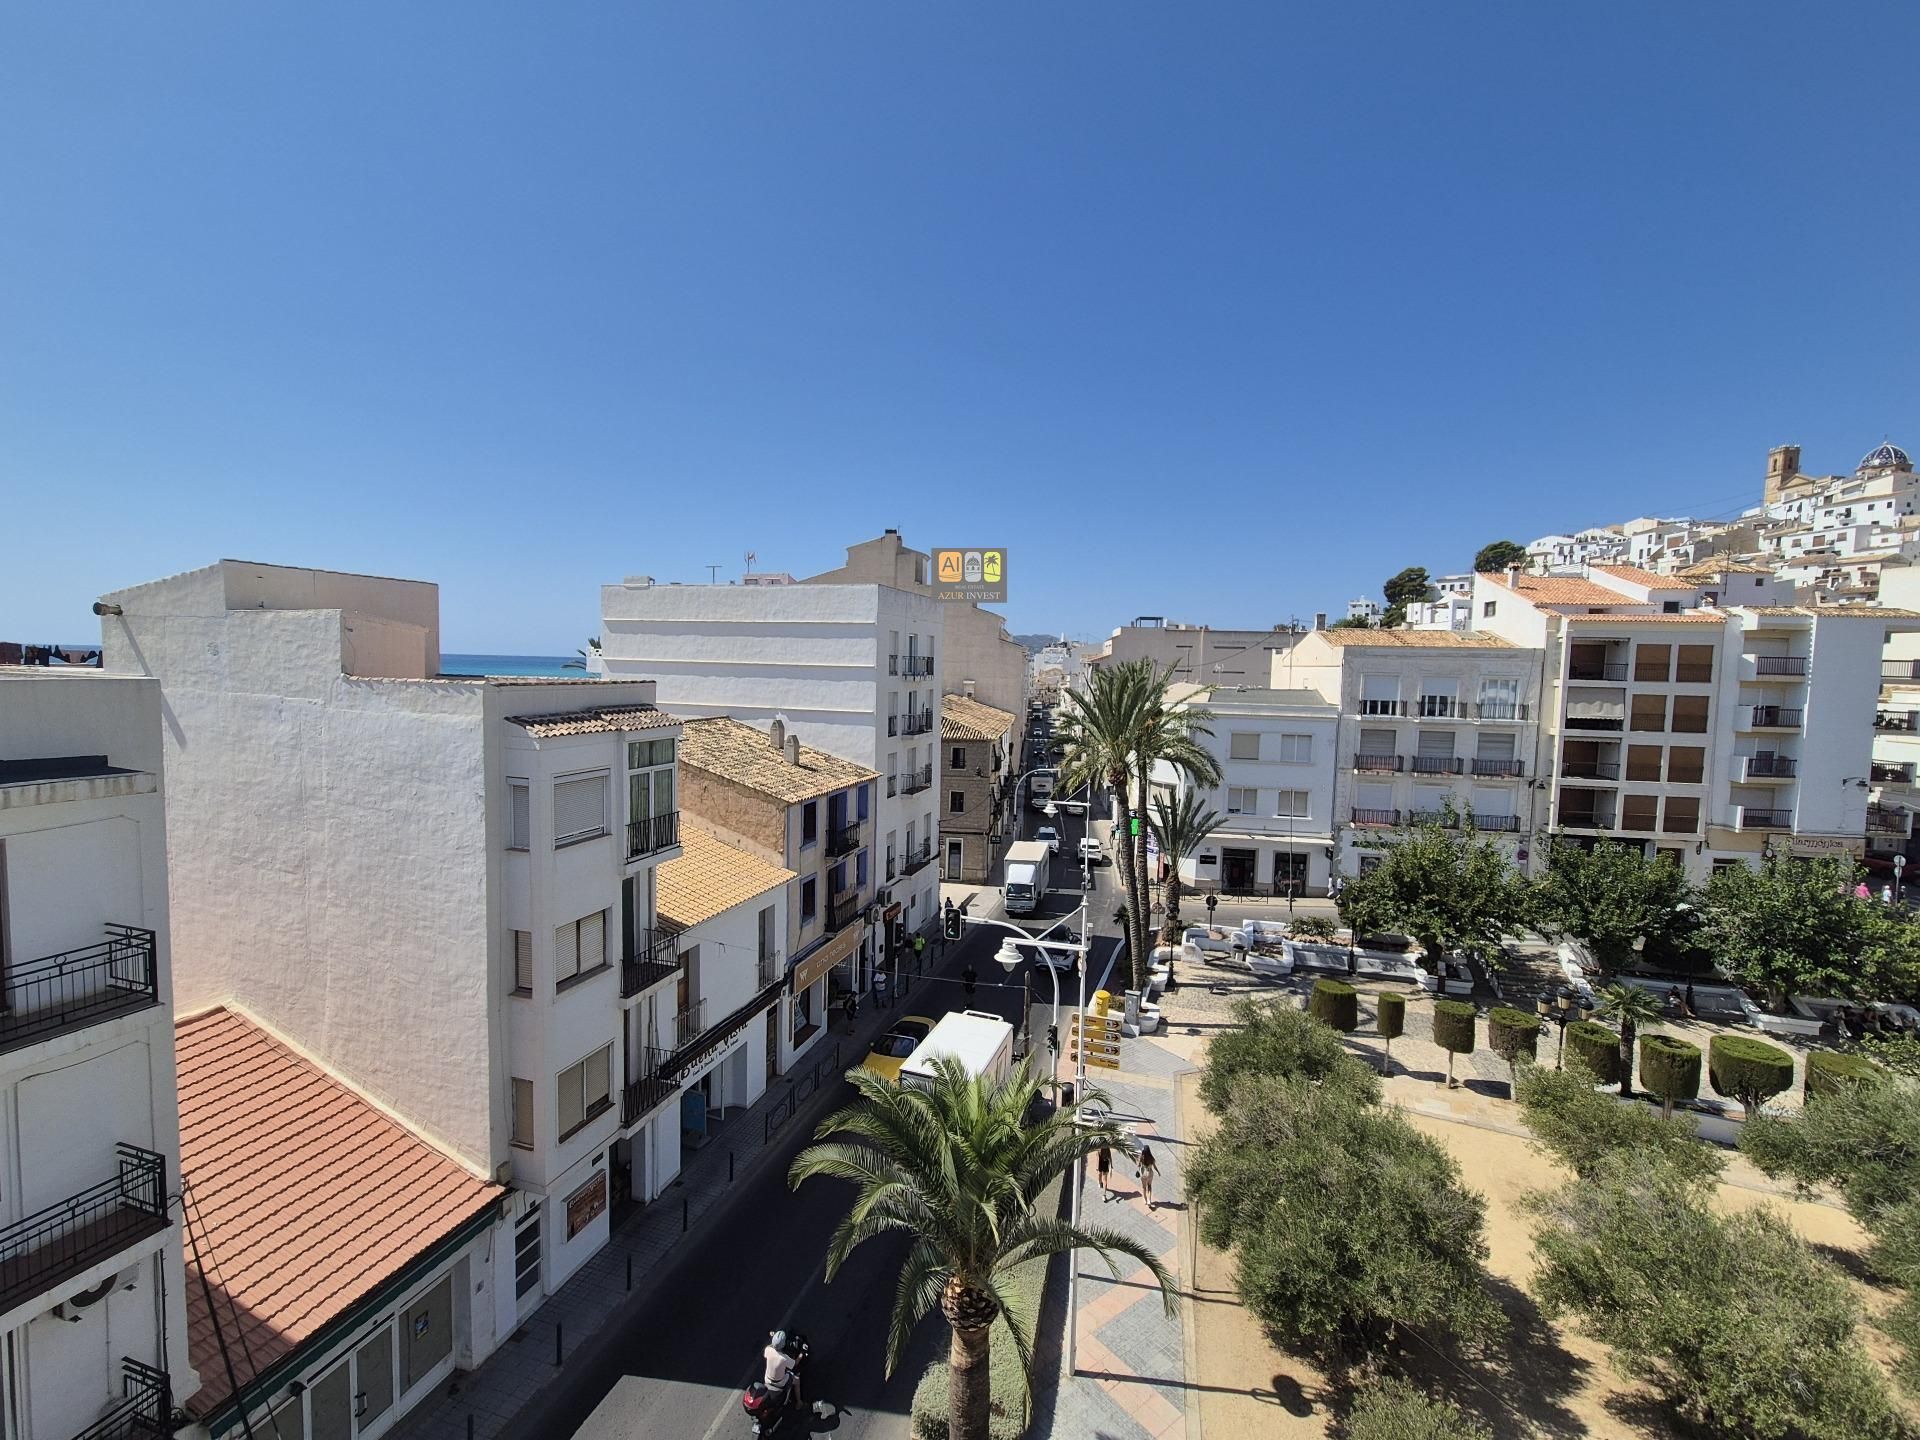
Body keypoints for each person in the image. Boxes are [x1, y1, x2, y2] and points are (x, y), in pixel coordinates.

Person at [763, 1331, 797, 1401]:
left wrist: (774, 1339)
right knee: (797, 1380)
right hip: (779, 1382)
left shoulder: (768, 1349)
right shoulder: (784, 1358)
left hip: (767, 1379)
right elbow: (794, 1364)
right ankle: (798, 1402)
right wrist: (801, 1354)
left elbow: (770, 1347)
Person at [1136, 1144, 1159, 1211]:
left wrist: (1138, 1159)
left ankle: (1145, 1199)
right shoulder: (1151, 1158)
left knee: (1144, 1187)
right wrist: (1158, 1172)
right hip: (1150, 1173)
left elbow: (1138, 1165)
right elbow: (1154, 1166)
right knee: (1149, 1186)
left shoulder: (1142, 1157)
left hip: (1143, 1174)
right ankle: (1149, 1200)